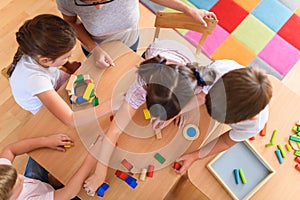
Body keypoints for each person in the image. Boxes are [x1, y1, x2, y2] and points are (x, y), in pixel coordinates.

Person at [82, 39, 272, 195]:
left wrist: (194, 154)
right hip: (161, 57)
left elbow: (223, 133)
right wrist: (100, 172)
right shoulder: (215, 72)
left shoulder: (252, 123)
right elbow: (201, 96)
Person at [8, 14, 112, 127]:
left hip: (52, 79)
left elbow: (55, 57)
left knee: (86, 92)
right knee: (65, 124)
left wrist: (69, 65)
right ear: (45, 60)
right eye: (67, 57)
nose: (70, 58)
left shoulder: (36, 48)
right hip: (41, 103)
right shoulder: (35, 80)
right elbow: (71, 120)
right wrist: (112, 104)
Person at [56, 0, 217, 68]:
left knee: (125, 65)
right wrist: (94, 49)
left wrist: (188, 10)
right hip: (94, 45)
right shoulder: (67, 1)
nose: (98, 7)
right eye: (88, 2)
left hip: (130, 38)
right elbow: (71, 22)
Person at [0, 133, 99, 199]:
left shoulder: (2, 173)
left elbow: (9, 150)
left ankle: (53, 183)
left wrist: (46, 141)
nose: (22, 177)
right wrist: (92, 157)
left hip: (38, 184)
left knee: (38, 153)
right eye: (19, 182)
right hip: (47, 195)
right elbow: (69, 192)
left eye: (17, 174)